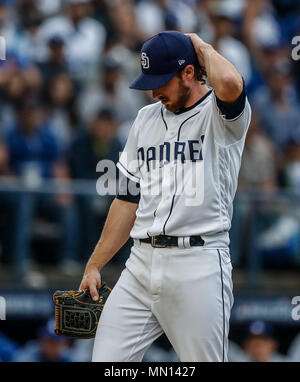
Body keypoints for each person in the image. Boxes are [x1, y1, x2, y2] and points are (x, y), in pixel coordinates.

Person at [79, 30, 251, 362]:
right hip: (140, 264)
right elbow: (127, 200)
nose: (153, 90)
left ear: (189, 72)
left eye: (161, 80)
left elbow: (230, 81)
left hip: (199, 262)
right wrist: (94, 264)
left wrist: (199, 45)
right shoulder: (144, 119)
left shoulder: (220, 115)